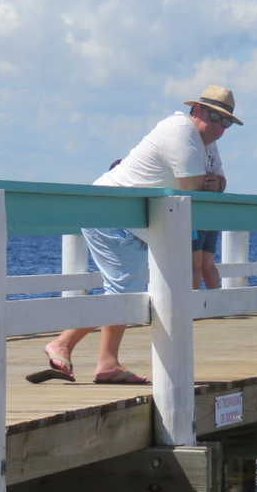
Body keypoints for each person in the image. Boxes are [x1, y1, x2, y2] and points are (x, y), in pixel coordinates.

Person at [29, 85, 243, 385]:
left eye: (226, 122)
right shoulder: (180, 130)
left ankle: (88, 354)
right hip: (110, 210)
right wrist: (209, 182)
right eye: (212, 116)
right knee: (123, 289)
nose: (218, 126)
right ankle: (88, 355)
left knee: (124, 288)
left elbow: (219, 182)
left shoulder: (206, 144)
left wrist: (212, 182)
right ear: (195, 111)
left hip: (139, 220)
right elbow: (194, 187)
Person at [192, 138, 226, 289]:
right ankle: (217, 309)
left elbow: (222, 181)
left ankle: (193, 310)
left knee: (195, 266)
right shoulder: (210, 145)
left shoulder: (193, 143)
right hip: (211, 211)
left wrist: (218, 183)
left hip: (195, 212)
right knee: (207, 264)